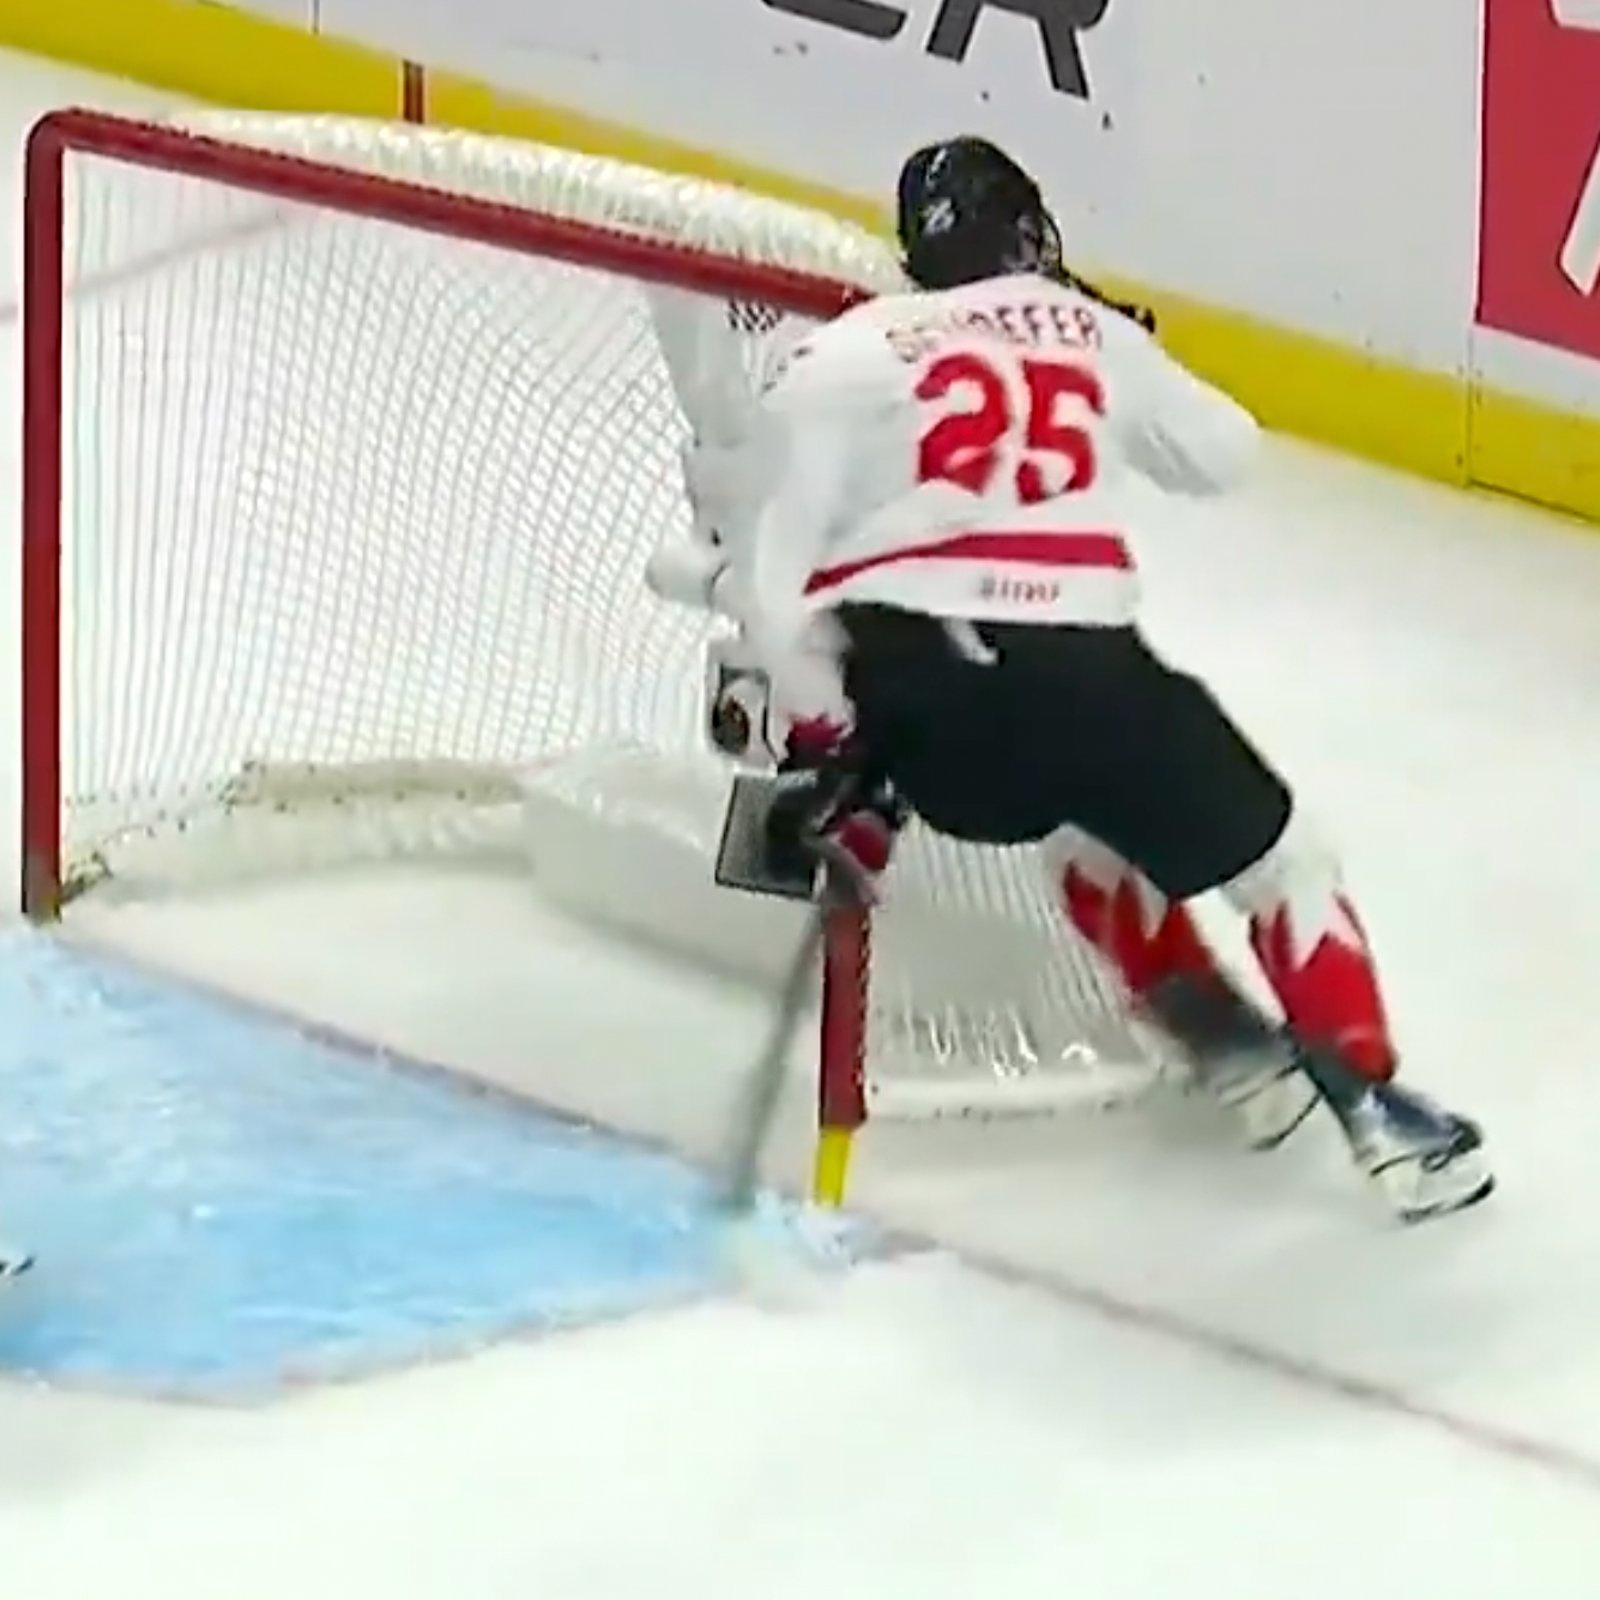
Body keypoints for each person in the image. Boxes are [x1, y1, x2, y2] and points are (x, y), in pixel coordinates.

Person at [719, 135, 1492, 1225]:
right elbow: (1226, 452)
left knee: (1075, 826)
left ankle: (1228, 1050)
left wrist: (830, 735)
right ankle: (1375, 1112)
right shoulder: (1086, 328)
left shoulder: (847, 349)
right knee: (1283, 864)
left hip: (930, 714)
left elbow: (775, 584)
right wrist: (1103, 350)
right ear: (1032, 231)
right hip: (1080, 668)